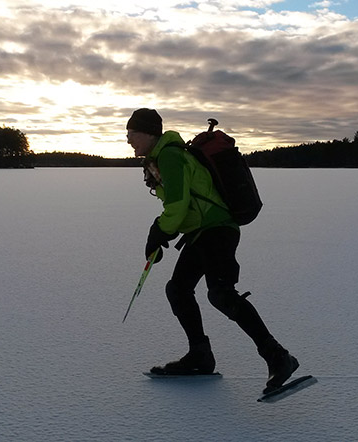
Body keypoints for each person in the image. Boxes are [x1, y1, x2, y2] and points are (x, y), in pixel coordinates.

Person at [126, 108, 299, 394]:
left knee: (221, 293)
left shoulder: (169, 154)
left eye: (132, 134)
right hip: (203, 232)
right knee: (179, 289)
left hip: (217, 230)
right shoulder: (161, 158)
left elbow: (178, 206)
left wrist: (158, 231)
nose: (129, 141)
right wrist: (162, 234)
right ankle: (200, 356)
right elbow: (189, 206)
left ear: (148, 133)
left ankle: (279, 357)